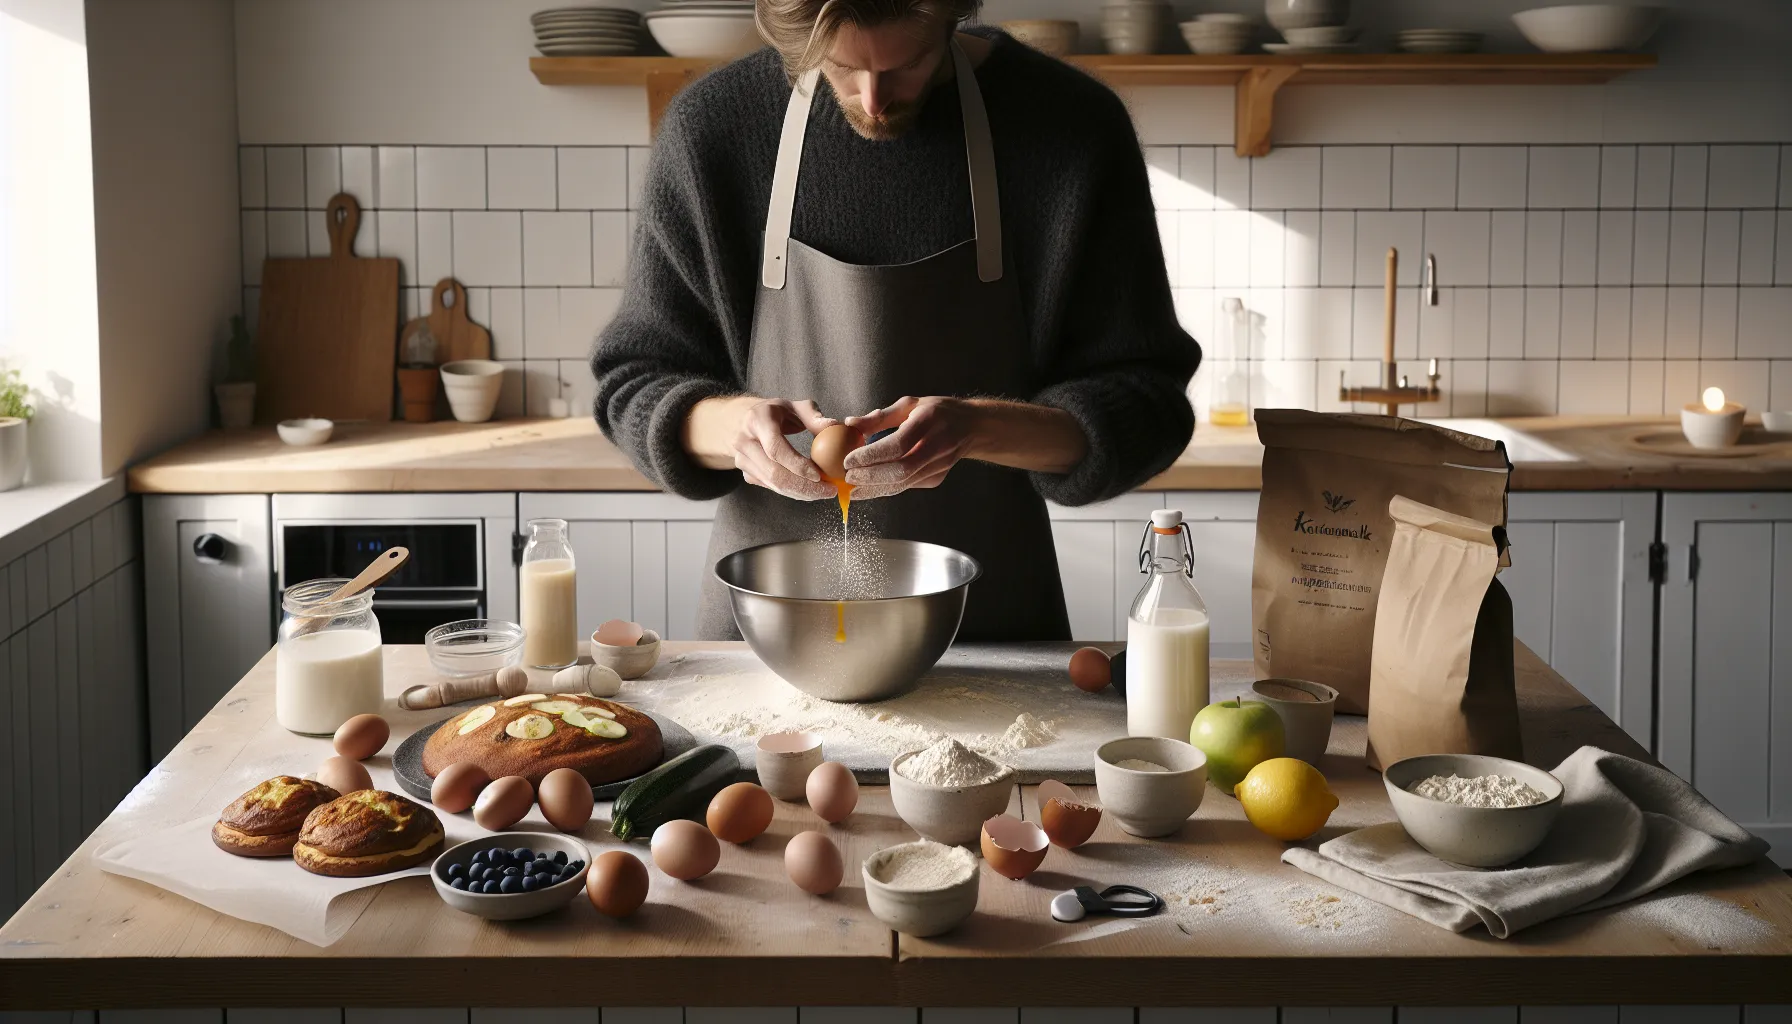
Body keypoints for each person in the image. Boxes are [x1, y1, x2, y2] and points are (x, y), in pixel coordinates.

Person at [590, 0, 1199, 641]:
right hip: (771, 638)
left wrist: (980, 426)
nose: (874, 99)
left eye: (907, 63)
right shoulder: (714, 128)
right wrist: (736, 429)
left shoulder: (1071, 127)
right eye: (841, 66)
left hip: (992, 632)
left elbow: (1147, 402)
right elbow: (636, 381)